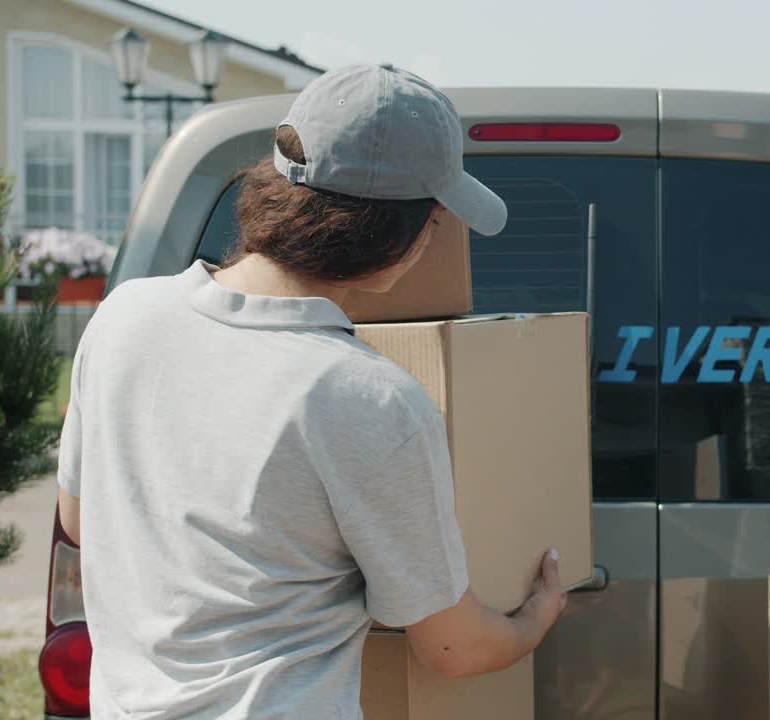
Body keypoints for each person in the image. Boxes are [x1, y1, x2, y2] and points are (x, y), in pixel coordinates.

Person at [55, 63, 567, 719]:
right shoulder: (369, 398)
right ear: (406, 235)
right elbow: (453, 649)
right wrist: (537, 616)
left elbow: (78, 518)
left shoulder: (125, 317)